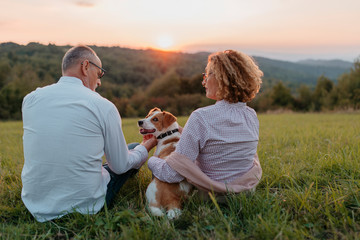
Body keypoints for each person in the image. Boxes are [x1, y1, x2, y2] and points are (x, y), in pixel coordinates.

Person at [21, 45, 157, 222]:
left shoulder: (30, 99)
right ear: (85, 66)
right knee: (133, 149)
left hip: (35, 204)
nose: (99, 81)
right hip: (86, 206)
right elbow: (121, 166)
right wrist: (146, 147)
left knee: (127, 150)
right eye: (99, 73)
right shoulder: (103, 106)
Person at [148, 50, 263, 196]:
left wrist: (152, 160)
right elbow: (221, 141)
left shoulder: (201, 117)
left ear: (221, 78)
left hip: (213, 197)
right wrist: (182, 132)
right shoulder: (251, 115)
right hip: (246, 193)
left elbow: (172, 174)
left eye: (207, 75)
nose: (204, 81)